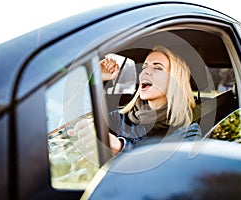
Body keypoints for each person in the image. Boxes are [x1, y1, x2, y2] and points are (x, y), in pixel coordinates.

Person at [70, 45, 201, 154]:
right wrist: (96, 79)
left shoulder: (188, 132)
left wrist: (120, 146)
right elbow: (74, 124)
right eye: (144, 67)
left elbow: (168, 171)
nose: (145, 72)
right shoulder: (121, 118)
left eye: (157, 68)